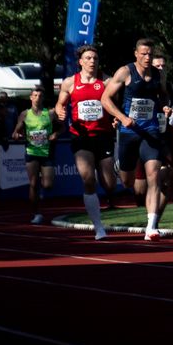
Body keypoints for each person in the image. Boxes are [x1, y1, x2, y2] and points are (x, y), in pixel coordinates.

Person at [105, 38, 173, 241]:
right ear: (136, 54)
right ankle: (121, 166)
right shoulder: (125, 72)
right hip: (129, 132)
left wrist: (165, 106)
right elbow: (105, 99)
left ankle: (151, 227)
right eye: (143, 54)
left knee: (154, 175)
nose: (147, 57)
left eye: (150, 54)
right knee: (127, 182)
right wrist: (122, 117)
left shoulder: (158, 74)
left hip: (151, 131)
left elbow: (163, 95)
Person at [54, 44, 121, 239]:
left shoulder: (107, 81)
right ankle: (98, 227)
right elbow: (60, 104)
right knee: (88, 179)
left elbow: (115, 104)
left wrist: (116, 118)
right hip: (81, 137)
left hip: (104, 136)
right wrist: (60, 111)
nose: (92, 61)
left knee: (110, 185)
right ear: (80, 62)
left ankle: (109, 171)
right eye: (89, 58)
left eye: (95, 58)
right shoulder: (70, 82)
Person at [9, 84, 56, 225]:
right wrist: (16, 135)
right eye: (35, 95)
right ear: (31, 97)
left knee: (47, 185)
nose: (37, 98)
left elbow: (62, 128)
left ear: (43, 98)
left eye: (40, 96)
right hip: (31, 152)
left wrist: (55, 134)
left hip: (46, 152)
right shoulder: (25, 114)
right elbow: (15, 132)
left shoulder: (50, 113)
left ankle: (40, 191)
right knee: (33, 184)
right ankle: (36, 213)